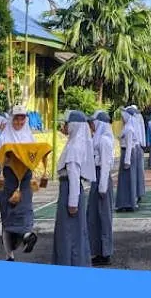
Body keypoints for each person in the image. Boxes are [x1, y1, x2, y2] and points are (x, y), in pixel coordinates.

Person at [0, 105, 39, 261]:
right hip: (8, 178)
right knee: (8, 212)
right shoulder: (4, 137)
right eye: (16, 118)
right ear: (11, 119)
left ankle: (27, 235)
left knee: (25, 209)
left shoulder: (29, 137)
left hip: (25, 179)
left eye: (22, 118)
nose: (19, 121)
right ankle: (9, 254)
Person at [52, 111, 93, 267]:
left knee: (68, 232)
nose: (65, 126)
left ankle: (69, 262)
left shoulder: (74, 148)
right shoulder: (75, 144)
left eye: (68, 123)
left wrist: (72, 202)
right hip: (70, 190)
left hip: (70, 191)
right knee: (73, 231)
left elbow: (74, 177)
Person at [88, 111, 116, 266]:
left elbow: (105, 165)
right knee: (94, 217)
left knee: (103, 217)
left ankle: (105, 252)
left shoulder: (104, 140)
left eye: (93, 122)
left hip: (101, 179)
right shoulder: (97, 139)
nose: (91, 124)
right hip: (97, 178)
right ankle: (97, 250)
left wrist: (102, 186)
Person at [114, 107, 141, 212]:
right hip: (125, 153)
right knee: (125, 180)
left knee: (128, 179)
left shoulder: (129, 129)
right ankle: (124, 202)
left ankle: (129, 202)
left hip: (127, 154)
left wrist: (127, 161)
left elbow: (129, 145)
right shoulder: (126, 127)